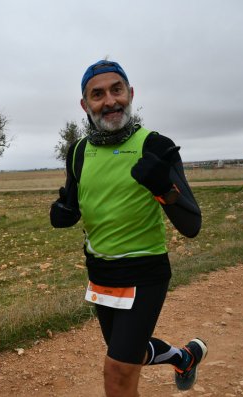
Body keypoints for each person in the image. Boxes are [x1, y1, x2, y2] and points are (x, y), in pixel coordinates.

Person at [50, 60, 207, 396]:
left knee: (117, 374)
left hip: (144, 271)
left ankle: (181, 356)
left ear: (130, 93)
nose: (109, 101)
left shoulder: (156, 146)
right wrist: (64, 211)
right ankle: (184, 356)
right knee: (128, 354)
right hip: (100, 273)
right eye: (98, 94)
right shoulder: (78, 151)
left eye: (116, 90)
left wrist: (163, 190)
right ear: (84, 104)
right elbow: (74, 203)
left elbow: (191, 224)